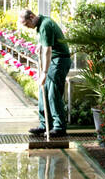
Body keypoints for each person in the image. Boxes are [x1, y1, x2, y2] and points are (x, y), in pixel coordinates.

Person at [21, 9, 70, 137]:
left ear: (31, 17)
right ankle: (45, 125)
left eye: (27, 24)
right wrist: (39, 45)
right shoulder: (41, 24)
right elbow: (44, 43)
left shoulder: (45, 25)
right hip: (54, 60)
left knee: (53, 93)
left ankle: (59, 127)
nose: (28, 27)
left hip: (59, 61)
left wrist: (44, 72)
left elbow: (48, 50)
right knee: (43, 91)